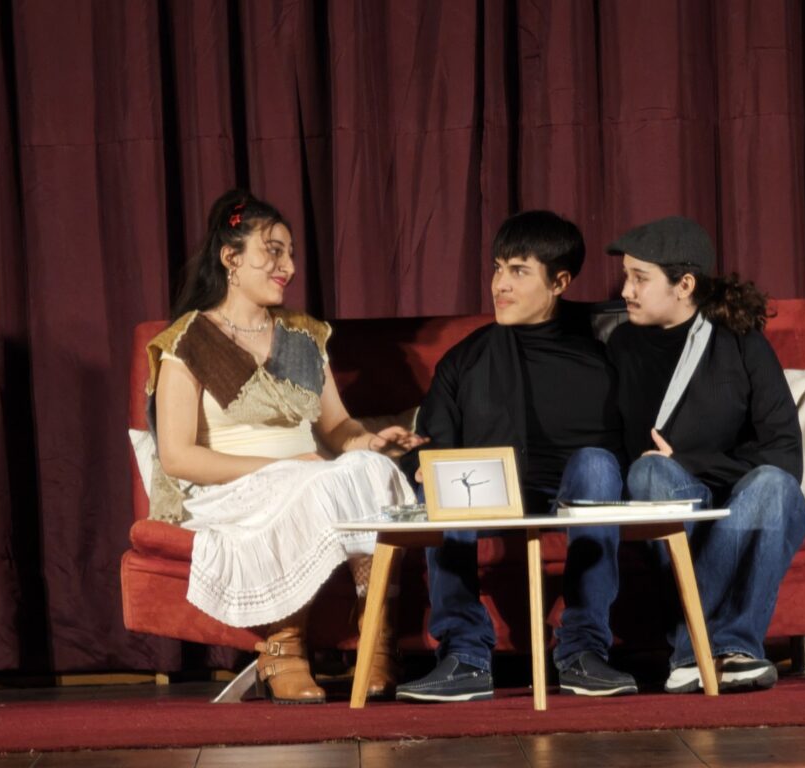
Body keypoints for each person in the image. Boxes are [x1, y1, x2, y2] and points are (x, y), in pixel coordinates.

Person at [145, 189, 426, 704]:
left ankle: (377, 637)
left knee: (372, 469)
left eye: (291, 254)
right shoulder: (189, 342)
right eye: (273, 251)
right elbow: (179, 457)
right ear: (230, 258)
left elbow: (338, 429)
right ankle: (284, 647)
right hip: (231, 489)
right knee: (306, 480)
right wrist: (282, 464)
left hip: (310, 477)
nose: (289, 267)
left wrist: (372, 441)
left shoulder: (302, 335)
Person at [394, 210, 637, 702]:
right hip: (493, 491)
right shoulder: (465, 359)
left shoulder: (608, 347)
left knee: (596, 464)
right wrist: (416, 462)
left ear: (559, 282)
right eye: (498, 268)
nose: (499, 284)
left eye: (519, 271)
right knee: (443, 478)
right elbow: (431, 447)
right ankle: (464, 655)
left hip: (581, 491)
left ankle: (583, 651)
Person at [605, 215, 805, 693]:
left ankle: (703, 651)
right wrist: (668, 466)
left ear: (685, 285)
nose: (626, 290)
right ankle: (726, 651)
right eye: (626, 276)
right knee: (649, 473)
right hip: (673, 499)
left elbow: (785, 454)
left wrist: (691, 461)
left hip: (742, 499)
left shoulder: (740, 342)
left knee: (773, 485)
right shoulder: (621, 345)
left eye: (640, 278)